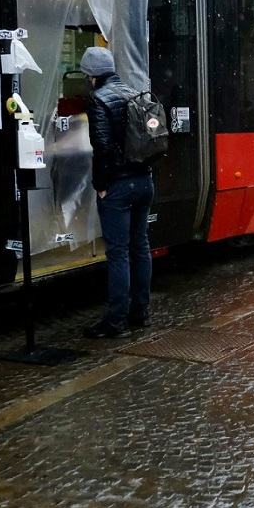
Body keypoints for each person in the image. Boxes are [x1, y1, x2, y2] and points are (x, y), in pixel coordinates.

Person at [81, 47, 155, 339]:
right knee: (140, 247)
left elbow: (102, 146)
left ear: (91, 75)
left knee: (119, 253)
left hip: (119, 187)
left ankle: (115, 321)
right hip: (144, 181)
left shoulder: (98, 99)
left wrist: (101, 185)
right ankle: (141, 312)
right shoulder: (134, 92)